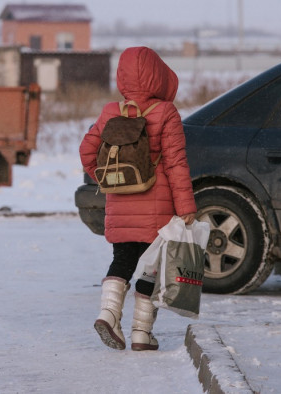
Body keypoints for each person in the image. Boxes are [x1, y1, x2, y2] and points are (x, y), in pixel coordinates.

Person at [79, 46, 197, 351]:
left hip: (121, 205)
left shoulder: (110, 112)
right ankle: (141, 334)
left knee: (122, 259)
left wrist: (107, 180)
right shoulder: (165, 113)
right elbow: (175, 164)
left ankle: (108, 314)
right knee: (151, 269)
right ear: (159, 76)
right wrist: (186, 207)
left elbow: (86, 152)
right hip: (157, 210)